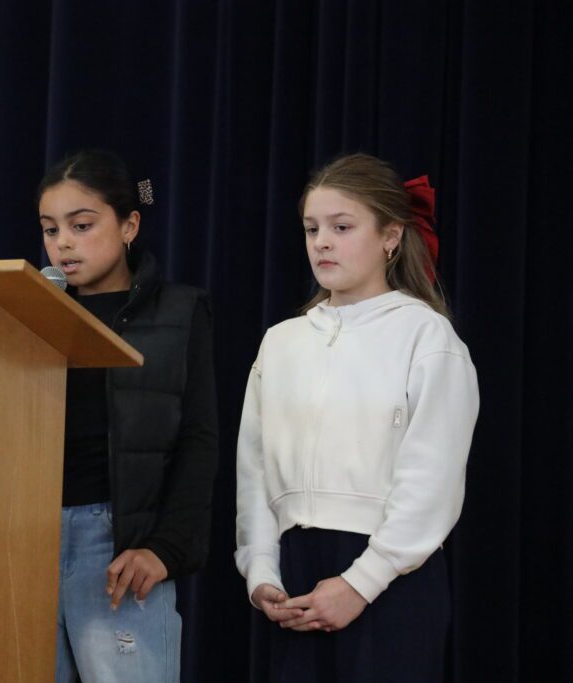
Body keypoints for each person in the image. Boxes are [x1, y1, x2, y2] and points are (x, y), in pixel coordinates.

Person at [235, 153, 480, 682]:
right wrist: (260, 570)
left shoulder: (426, 336)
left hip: (391, 578)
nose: (321, 241)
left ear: (390, 236)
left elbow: (432, 479)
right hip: (295, 577)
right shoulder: (281, 342)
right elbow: (253, 468)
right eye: (311, 228)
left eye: (342, 227)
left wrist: (362, 581)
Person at [38, 149, 219, 683]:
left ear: (129, 224)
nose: (63, 243)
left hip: (118, 542)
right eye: (50, 230)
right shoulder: (30, 310)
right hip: (27, 536)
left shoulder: (179, 313)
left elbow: (199, 439)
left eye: (82, 224)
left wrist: (165, 548)